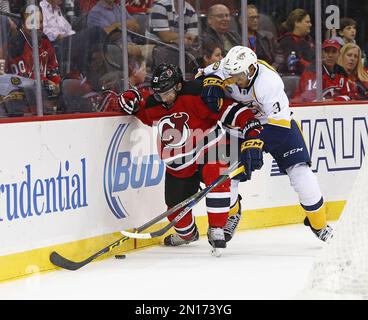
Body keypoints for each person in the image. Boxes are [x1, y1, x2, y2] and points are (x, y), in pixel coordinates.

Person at [118, 63, 264, 255]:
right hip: (178, 164)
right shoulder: (156, 103)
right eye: (158, 94)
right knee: (175, 209)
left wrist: (250, 129)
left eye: (166, 93)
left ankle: (218, 228)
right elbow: (144, 112)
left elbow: (230, 110)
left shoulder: (196, 93)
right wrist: (132, 103)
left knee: (217, 177)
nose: (163, 99)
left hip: (210, 148)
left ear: (178, 86)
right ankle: (188, 235)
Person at [198, 46, 333, 242]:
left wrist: (256, 144)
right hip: (237, 126)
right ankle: (233, 213)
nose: (234, 79)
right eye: (231, 74)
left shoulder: (268, 82)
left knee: (300, 173)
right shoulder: (226, 68)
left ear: (251, 69)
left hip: (274, 125)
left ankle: (319, 225)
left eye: (239, 75)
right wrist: (209, 82)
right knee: (224, 175)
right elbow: (200, 76)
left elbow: (279, 127)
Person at [7, 5, 61, 96]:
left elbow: (53, 72)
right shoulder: (16, 44)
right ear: (23, 24)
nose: (38, 26)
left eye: (40, 22)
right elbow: (25, 81)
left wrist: (58, 85)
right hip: (21, 98)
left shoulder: (45, 42)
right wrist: (49, 84)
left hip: (44, 95)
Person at [238, 4, 283, 69]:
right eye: (252, 18)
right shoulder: (235, 38)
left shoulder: (268, 37)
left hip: (266, 72)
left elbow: (280, 56)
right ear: (241, 21)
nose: (255, 20)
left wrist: (273, 68)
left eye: (257, 17)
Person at [278, 9, 314, 75]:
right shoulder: (286, 41)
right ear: (297, 23)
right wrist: (312, 68)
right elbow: (296, 62)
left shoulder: (309, 40)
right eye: (307, 22)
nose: (310, 25)